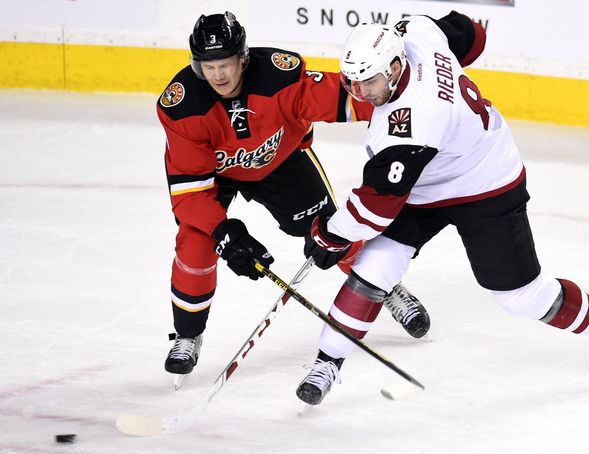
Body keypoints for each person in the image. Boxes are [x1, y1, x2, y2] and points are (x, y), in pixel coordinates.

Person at [296, 11, 589, 405]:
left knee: (520, 297)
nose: (362, 93)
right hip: (425, 182)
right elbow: (471, 34)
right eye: (353, 83)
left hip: (485, 182)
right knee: (373, 268)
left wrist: (330, 234)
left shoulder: (412, 122)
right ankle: (329, 361)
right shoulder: (415, 32)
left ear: (395, 68)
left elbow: (375, 208)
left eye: (370, 82)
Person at [156, 11, 430, 388]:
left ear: (243, 58)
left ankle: (387, 287)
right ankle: (187, 334)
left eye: (226, 64)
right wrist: (225, 232)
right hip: (214, 179)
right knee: (195, 243)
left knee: (334, 231)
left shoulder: (277, 76)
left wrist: (417, 111)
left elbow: (353, 97)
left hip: (283, 165)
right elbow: (189, 191)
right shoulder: (182, 107)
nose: (218, 75)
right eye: (209, 66)